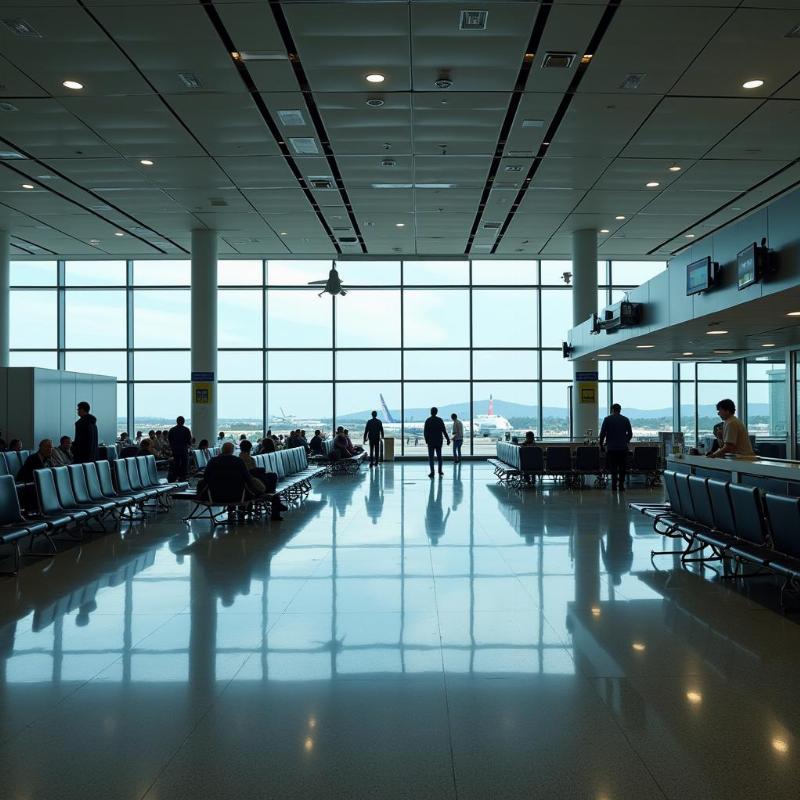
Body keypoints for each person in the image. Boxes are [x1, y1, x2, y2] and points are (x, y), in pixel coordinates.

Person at [599, 403, 633, 492]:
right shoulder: (625, 420)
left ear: (612, 410)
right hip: (623, 448)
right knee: (622, 468)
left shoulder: (607, 419)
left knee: (613, 468)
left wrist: (601, 445)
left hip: (611, 448)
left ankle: (614, 486)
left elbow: (602, 434)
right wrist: (625, 441)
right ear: (620, 410)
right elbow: (630, 434)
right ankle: (621, 485)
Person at [424, 407, 450, 478]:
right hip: (439, 441)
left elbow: (425, 432)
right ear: (436, 412)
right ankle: (440, 471)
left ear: (431, 412)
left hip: (431, 442)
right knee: (439, 457)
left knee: (431, 458)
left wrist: (427, 440)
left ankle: (432, 472)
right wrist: (448, 439)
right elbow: (444, 431)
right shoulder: (440, 420)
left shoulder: (428, 420)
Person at [168, 416, 193, 481]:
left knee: (176, 463)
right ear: (183, 422)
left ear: (177, 421)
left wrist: (173, 447)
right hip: (183, 450)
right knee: (184, 464)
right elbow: (189, 441)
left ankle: (175, 477)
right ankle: (182, 478)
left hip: (175, 450)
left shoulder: (172, 430)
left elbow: (170, 440)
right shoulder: (186, 430)